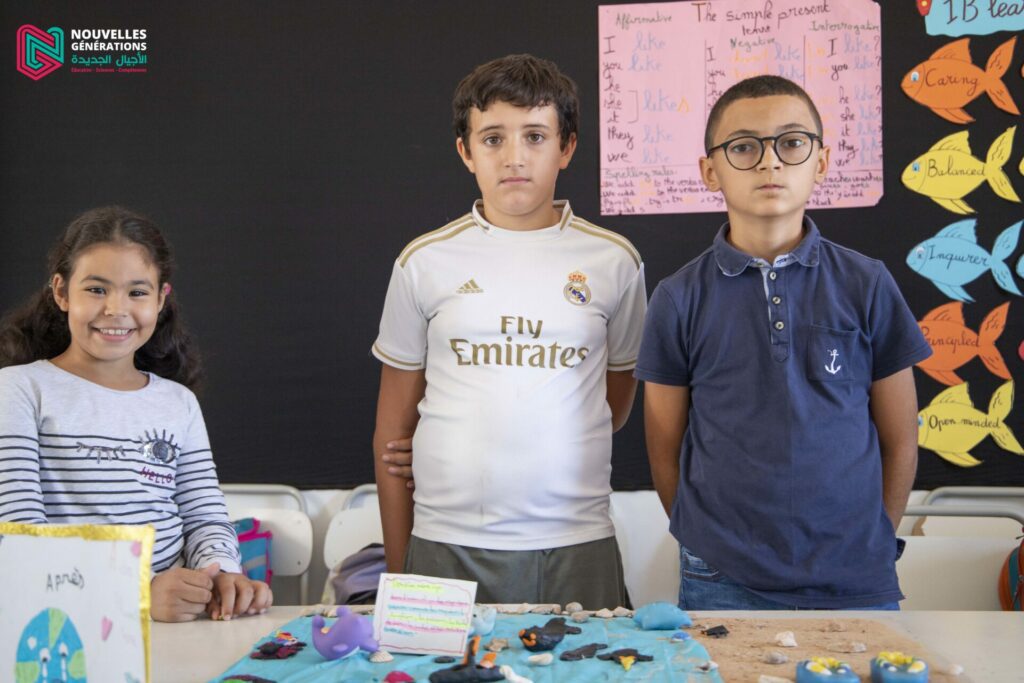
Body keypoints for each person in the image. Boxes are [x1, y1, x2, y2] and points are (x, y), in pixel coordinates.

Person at [636, 75, 931, 610]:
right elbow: (663, 449)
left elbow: (901, 440)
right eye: (743, 147)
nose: (770, 162)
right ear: (710, 171)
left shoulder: (866, 284)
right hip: (722, 580)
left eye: (791, 143)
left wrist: (875, 538)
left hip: (857, 574)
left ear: (821, 161)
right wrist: (707, 545)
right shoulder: (678, 298)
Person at [372, 54, 647, 607]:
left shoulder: (615, 262)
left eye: (535, 136)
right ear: (465, 152)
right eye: (493, 138)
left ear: (566, 147)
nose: (514, 157)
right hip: (445, 539)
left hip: (577, 539)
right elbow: (391, 436)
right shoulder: (423, 262)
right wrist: (401, 577)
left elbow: (611, 405)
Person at [0, 206, 272, 622]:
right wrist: (136, 595)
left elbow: (204, 516)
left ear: (161, 299)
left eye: (137, 292)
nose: (116, 309)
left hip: (177, 622)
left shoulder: (178, 402)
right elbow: (19, 536)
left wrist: (221, 575)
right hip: (68, 623)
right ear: (61, 292)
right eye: (96, 289)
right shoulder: (19, 390)